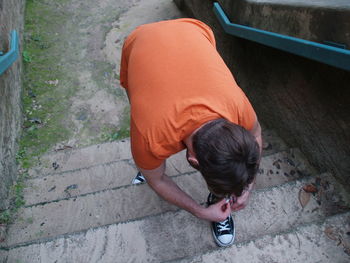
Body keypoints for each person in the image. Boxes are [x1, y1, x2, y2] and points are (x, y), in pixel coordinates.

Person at [119, 18, 262, 247]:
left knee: (149, 155)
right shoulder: (151, 137)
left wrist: (248, 186)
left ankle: (148, 165)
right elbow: (158, 180)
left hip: (194, 30)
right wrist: (199, 211)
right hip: (140, 39)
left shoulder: (238, 107)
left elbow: (255, 135)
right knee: (140, 113)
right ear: (192, 159)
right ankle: (145, 164)